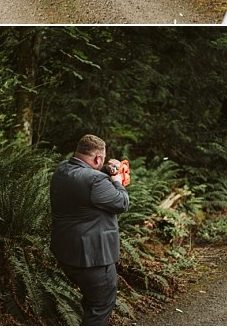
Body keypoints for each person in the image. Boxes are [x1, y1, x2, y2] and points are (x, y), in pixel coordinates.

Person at [50, 134, 130, 325]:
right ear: (97, 158)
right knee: (101, 305)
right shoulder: (95, 181)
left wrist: (107, 169)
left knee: (92, 300)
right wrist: (117, 180)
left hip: (67, 254)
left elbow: (86, 177)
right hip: (93, 259)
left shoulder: (62, 170)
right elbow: (122, 203)